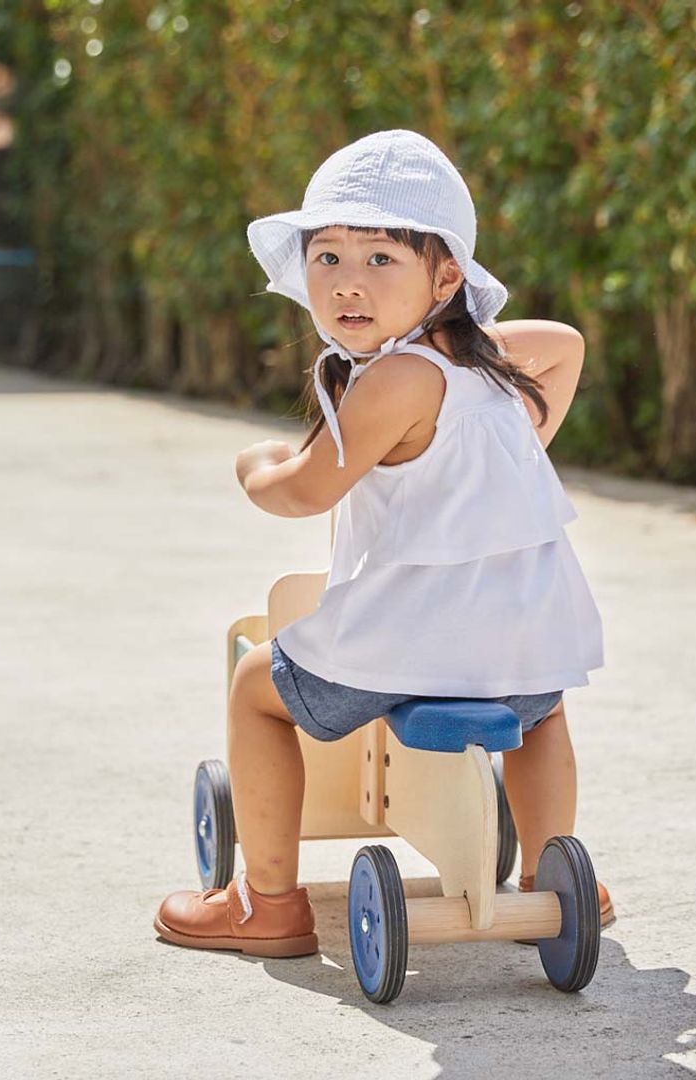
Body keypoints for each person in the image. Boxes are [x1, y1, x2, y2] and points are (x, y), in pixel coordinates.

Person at [154, 129, 613, 957]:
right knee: (540, 712)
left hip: (420, 640)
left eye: (380, 260)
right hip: (528, 634)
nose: (348, 284)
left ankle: (267, 904)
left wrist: (257, 467)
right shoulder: (491, 376)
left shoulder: (398, 379)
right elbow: (565, 344)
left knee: (256, 688)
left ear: (446, 276)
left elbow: (306, 491)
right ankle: (554, 882)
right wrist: (471, 351)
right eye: (326, 258)